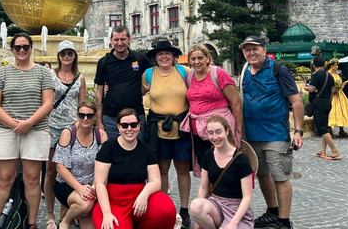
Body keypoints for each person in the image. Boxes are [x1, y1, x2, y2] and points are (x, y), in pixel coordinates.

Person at [0, 33, 54, 229]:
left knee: (32, 179)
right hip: (5, 130)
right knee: (5, 178)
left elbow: (48, 103)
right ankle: (3, 221)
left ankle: (32, 223)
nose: (22, 50)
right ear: (13, 49)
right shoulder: (2, 73)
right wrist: (14, 124)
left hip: (36, 130)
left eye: (26, 46)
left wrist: (29, 123)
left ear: (31, 48)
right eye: (18, 47)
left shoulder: (42, 73)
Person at [240, 36, 303, 229]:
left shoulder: (278, 70)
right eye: (247, 50)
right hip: (252, 136)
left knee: (280, 177)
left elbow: (296, 101)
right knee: (262, 175)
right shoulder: (245, 72)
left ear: (264, 50)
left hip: (276, 134)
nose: (251, 53)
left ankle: (284, 222)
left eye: (255, 49)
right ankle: (272, 211)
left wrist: (298, 131)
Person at [93, 108, 176, 229]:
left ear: (139, 126)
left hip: (139, 200)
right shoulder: (108, 147)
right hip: (113, 203)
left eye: (133, 125)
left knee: (166, 209)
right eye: (125, 125)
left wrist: (144, 194)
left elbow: (156, 181)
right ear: (119, 127)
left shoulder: (146, 149)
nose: (129, 129)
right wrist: (107, 213)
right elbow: (100, 183)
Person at [141, 39, 192, 228]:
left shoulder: (183, 72)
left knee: (182, 169)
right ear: (155, 57)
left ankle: (184, 210)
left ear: (173, 56)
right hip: (158, 129)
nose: (163, 56)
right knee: (161, 170)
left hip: (181, 128)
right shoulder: (148, 75)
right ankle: (163, 208)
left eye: (167, 53)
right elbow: (136, 94)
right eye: (160, 54)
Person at [182, 44, 242, 179]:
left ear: (208, 58)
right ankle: (210, 198)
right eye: (193, 59)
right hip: (198, 131)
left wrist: (238, 127)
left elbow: (236, 101)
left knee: (225, 168)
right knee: (207, 170)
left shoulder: (218, 74)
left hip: (220, 129)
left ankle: (227, 198)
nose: (196, 62)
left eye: (200, 58)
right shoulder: (190, 76)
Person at [45, 40, 87, 229]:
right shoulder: (51, 75)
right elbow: (44, 100)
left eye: (70, 53)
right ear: (59, 56)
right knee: (51, 171)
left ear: (74, 56)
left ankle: (66, 211)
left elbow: (83, 104)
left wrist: (80, 126)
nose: (67, 57)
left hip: (72, 129)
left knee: (70, 172)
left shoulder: (80, 78)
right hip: (53, 127)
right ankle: (50, 214)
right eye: (63, 53)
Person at [189, 115, 255, 229]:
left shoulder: (241, 159)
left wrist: (234, 223)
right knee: (195, 205)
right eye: (211, 133)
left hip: (237, 207)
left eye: (218, 132)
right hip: (216, 204)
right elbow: (204, 188)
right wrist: (198, 222)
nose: (215, 137)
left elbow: (247, 196)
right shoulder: (208, 155)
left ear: (227, 131)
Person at [52, 101, 107, 229]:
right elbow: (60, 166)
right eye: (82, 115)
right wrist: (80, 188)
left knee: (89, 222)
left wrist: (93, 187)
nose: (85, 118)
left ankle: (78, 214)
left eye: (89, 115)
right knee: (85, 205)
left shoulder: (101, 135)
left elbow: (103, 166)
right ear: (77, 116)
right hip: (67, 184)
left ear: (95, 117)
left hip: (91, 186)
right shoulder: (68, 133)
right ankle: (66, 221)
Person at [94, 26, 152, 140]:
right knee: (112, 154)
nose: (119, 43)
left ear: (129, 39)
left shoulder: (140, 58)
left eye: (123, 39)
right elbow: (99, 93)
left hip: (136, 117)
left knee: (137, 153)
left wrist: (143, 89)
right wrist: (99, 122)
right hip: (111, 118)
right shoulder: (104, 62)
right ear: (111, 41)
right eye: (116, 40)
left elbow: (154, 77)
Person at [306, 54, 339, 160]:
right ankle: (323, 151)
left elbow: (312, 89)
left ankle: (335, 151)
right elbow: (332, 90)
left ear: (314, 65)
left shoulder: (316, 75)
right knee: (324, 126)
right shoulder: (329, 75)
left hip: (318, 103)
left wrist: (306, 88)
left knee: (321, 128)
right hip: (327, 102)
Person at [325, 59, 348, 138]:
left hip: (340, 95)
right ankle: (330, 130)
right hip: (332, 95)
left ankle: (341, 130)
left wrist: (346, 82)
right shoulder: (328, 75)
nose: (337, 67)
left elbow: (340, 87)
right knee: (332, 112)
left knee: (342, 111)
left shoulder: (337, 75)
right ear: (331, 66)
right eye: (336, 65)